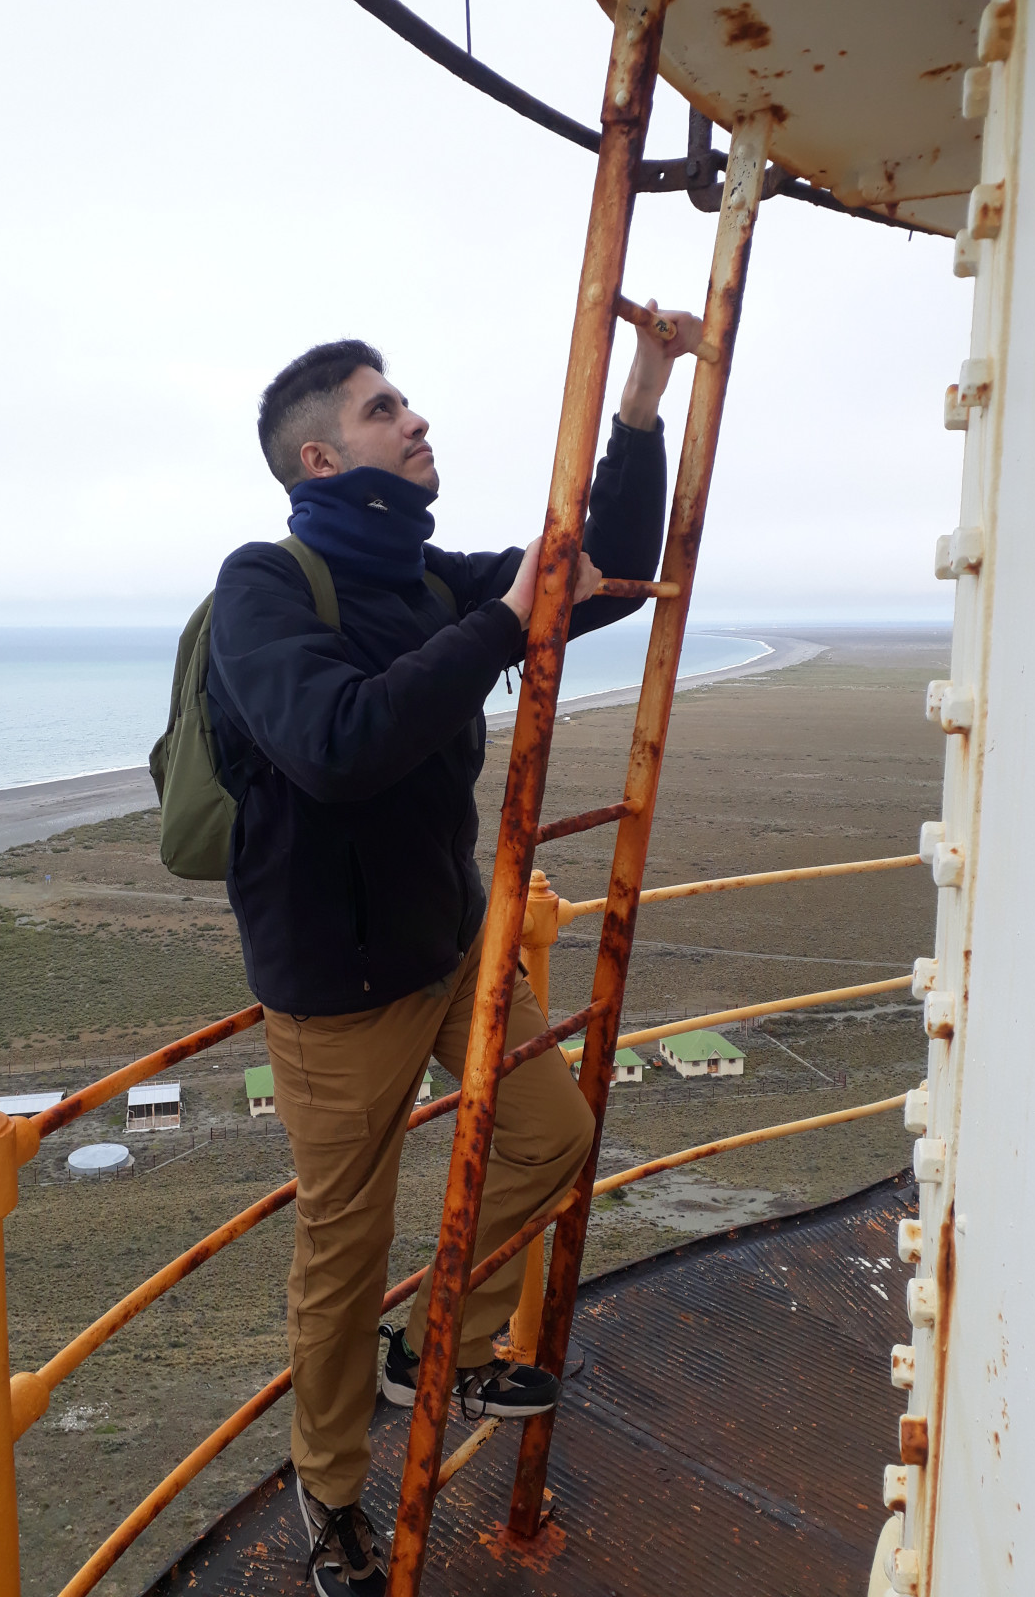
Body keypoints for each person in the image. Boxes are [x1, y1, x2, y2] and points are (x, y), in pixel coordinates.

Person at [207, 302, 703, 1595]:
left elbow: (603, 566)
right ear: (322, 459)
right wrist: (499, 625)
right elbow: (336, 742)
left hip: (451, 945)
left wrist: (641, 398)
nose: (417, 419)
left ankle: (449, 1343)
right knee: (346, 1252)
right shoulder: (264, 589)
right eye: (385, 408)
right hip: (333, 991)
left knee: (551, 1136)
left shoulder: (429, 580)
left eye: (406, 402)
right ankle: (331, 1497)